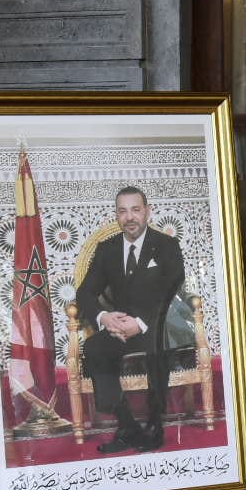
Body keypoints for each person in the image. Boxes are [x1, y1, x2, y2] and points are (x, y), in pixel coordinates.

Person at [75, 186, 186, 454]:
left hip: (155, 326)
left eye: (135, 210)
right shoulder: (107, 249)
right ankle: (126, 426)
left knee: (157, 347)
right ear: (117, 215)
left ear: (147, 211)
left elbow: (174, 292)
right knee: (94, 348)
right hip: (120, 328)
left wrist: (142, 323)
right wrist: (105, 318)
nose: (130, 217)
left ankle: (154, 424)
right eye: (123, 211)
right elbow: (85, 292)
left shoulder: (167, 245)